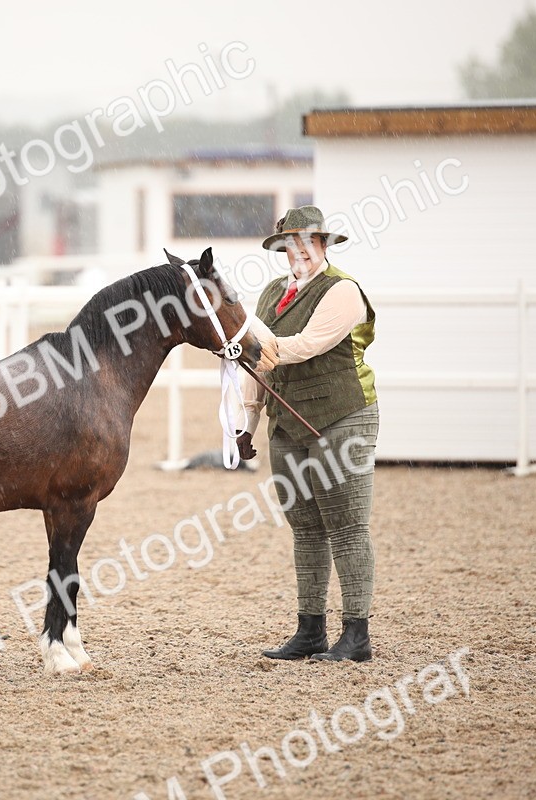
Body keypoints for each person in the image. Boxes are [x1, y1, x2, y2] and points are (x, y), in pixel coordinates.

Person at [237, 205, 379, 663]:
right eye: (288, 245)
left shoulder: (343, 292)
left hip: (341, 416)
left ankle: (356, 634)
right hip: (289, 423)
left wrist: (255, 346)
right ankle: (310, 630)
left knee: (347, 527)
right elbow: (254, 367)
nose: (296, 252)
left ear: (322, 245)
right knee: (305, 528)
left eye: (305, 243)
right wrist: (247, 422)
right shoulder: (270, 294)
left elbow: (310, 344)